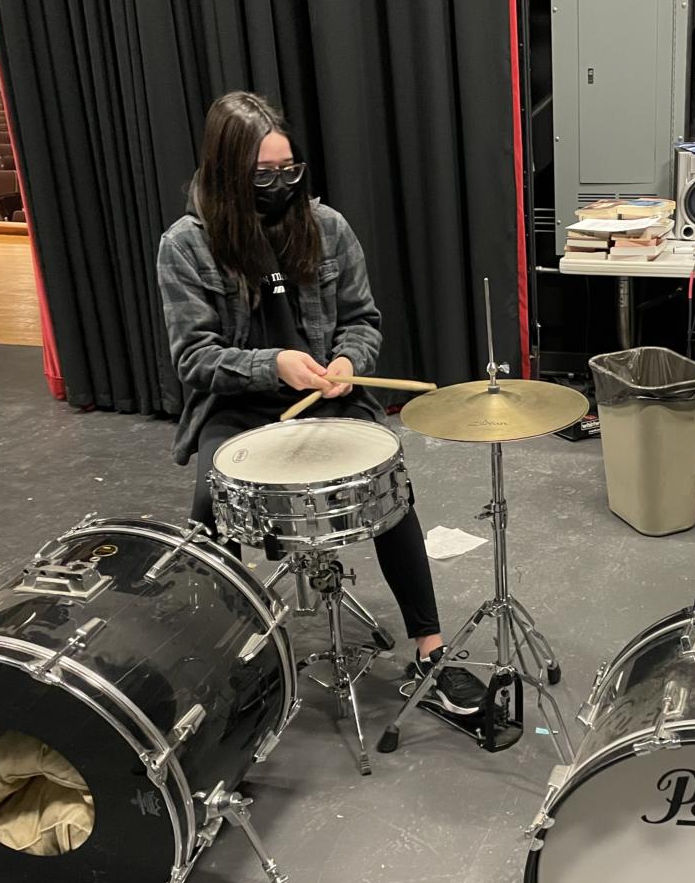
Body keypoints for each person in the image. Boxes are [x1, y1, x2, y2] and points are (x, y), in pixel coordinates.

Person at [157, 91, 504, 739]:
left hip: (330, 394)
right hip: (241, 405)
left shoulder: (327, 227)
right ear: (229, 172)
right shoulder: (187, 245)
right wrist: (272, 365)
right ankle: (217, 665)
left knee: (388, 483)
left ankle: (429, 652)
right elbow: (195, 358)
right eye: (265, 175)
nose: (282, 185)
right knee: (211, 502)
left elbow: (362, 321)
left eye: (291, 170)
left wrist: (346, 361)